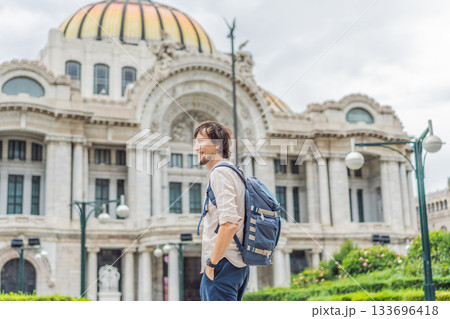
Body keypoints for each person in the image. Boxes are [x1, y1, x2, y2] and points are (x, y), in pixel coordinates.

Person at [193, 121, 249, 301]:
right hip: (236, 265)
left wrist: (212, 263)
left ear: (217, 144)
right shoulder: (234, 172)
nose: (196, 148)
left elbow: (230, 223)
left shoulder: (220, 173)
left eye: (201, 141)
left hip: (223, 264)